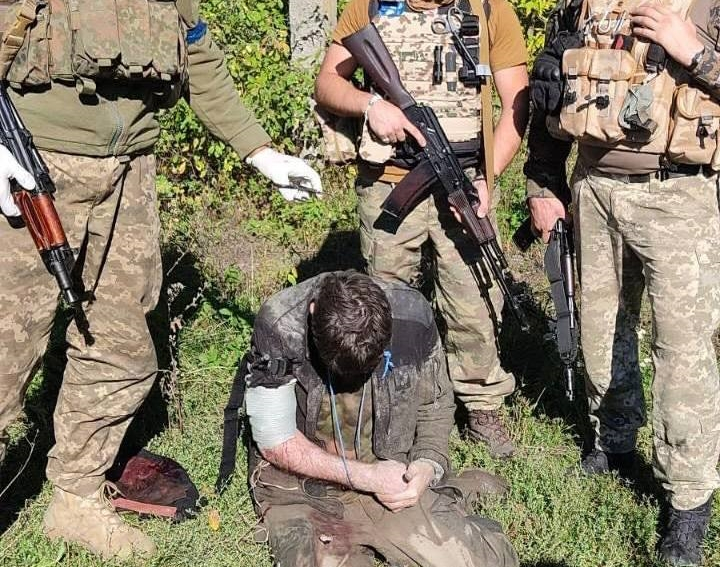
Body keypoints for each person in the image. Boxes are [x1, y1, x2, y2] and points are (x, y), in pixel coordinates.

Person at [0, 0, 321, 559]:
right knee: (5, 353)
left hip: (132, 170)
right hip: (30, 164)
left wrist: (260, 151)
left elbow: (196, 52)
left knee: (122, 351)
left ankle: (76, 496)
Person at [525, 1, 720, 564]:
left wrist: (695, 53)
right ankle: (612, 439)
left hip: (679, 196)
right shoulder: (585, 3)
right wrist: (542, 181)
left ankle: (688, 498)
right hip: (594, 188)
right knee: (601, 328)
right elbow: (551, 82)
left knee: (681, 352)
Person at [314, 0, 530, 459]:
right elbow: (327, 83)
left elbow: (518, 103)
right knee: (383, 301)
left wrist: (488, 178)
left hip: (464, 180)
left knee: (474, 299)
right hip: (389, 182)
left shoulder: (491, 10)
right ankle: (388, 395)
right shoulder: (368, 7)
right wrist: (371, 104)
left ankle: (482, 405)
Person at [243, 270, 518, 567]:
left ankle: (453, 492)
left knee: (490, 562)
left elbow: (434, 404)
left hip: (388, 481)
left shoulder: (412, 316)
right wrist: (368, 477)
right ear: (312, 312)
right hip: (304, 491)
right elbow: (274, 440)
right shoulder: (280, 324)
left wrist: (428, 463)